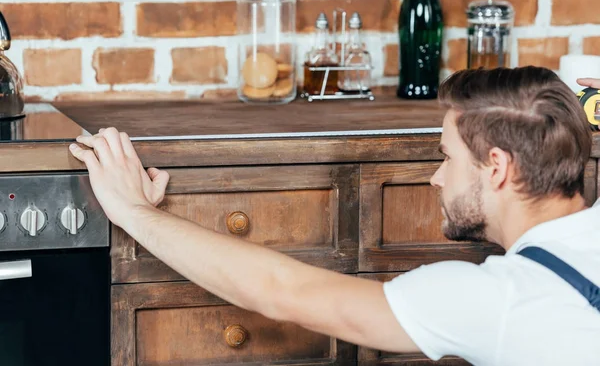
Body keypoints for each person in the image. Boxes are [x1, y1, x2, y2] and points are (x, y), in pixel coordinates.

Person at [69, 66, 600, 365]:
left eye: (447, 157)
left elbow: (283, 290)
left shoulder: (498, 300)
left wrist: (132, 210)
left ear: (498, 167)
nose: (436, 178)